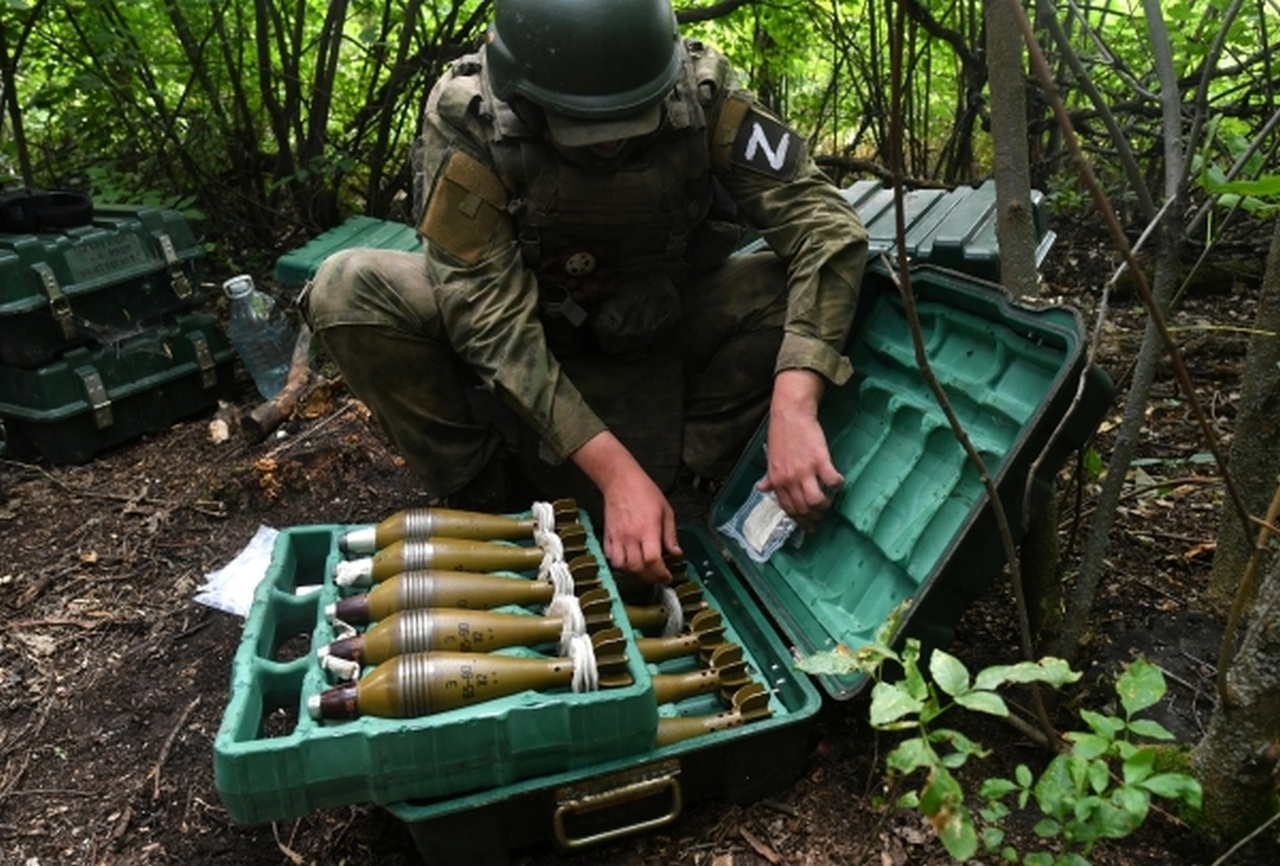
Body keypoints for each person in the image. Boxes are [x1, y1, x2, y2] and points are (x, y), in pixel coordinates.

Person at [303, 0, 868, 584]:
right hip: (526, 320)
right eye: (583, 126)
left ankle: (691, 474)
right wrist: (617, 475)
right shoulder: (471, 116)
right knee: (349, 288)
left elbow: (827, 229)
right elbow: (489, 321)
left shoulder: (701, 93)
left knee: (796, 290)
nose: (607, 146)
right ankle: (488, 490)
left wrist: (794, 404)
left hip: (665, 314)